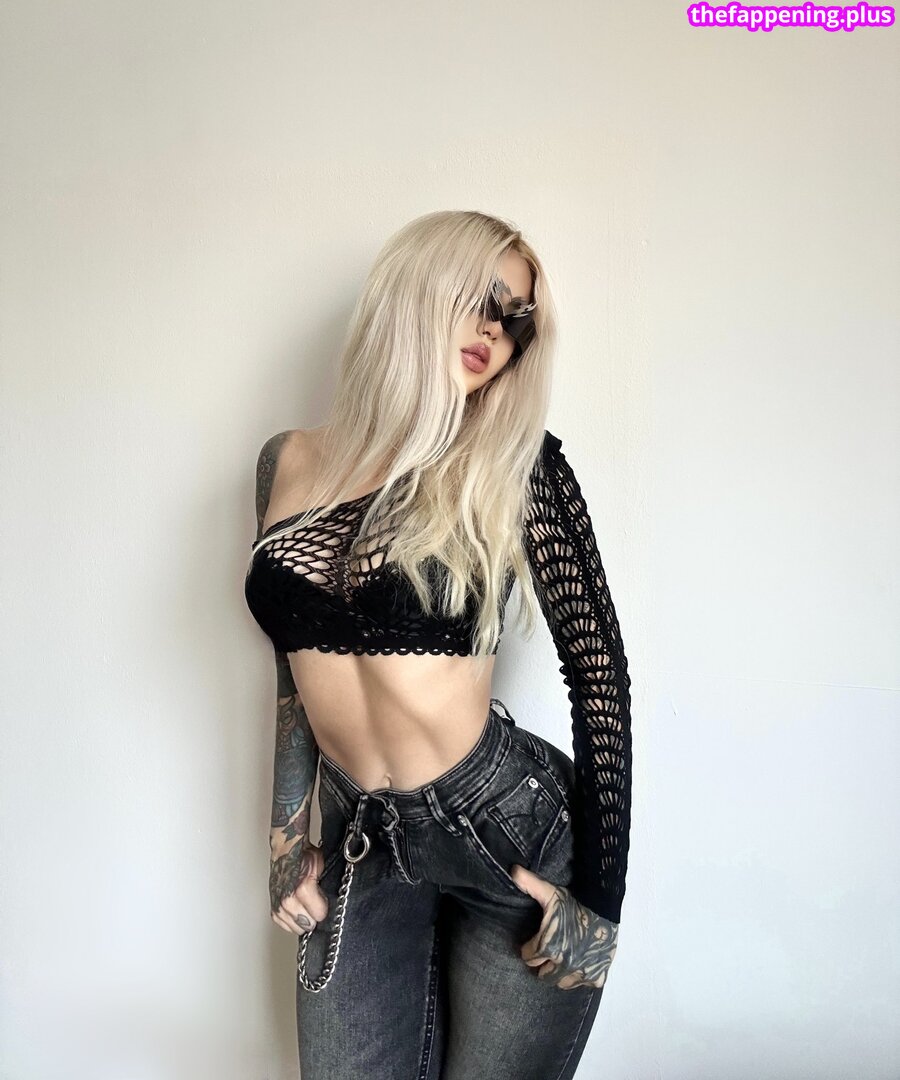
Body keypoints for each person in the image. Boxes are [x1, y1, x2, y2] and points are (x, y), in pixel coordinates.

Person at [243, 209, 633, 1080]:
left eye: (516, 319)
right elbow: (290, 666)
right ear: (416, 292)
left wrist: (600, 907)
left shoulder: (516, 463)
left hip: (506, 827)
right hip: (359, 832)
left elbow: (599, 675)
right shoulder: (286, 461)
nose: (497, 331)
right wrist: (284, 841)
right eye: (479, 301)